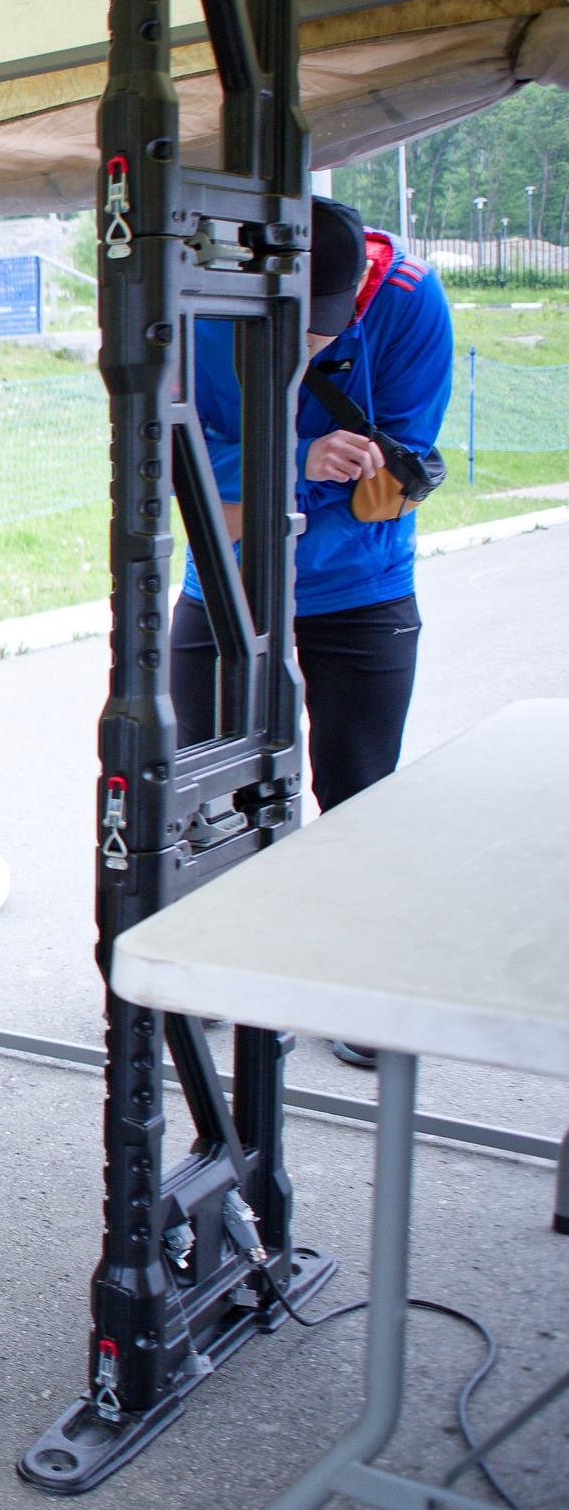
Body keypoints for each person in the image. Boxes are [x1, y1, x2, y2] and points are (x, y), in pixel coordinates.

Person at [174, 196, 451, 1069]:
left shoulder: (409, 298)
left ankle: (354, 981)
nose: (299, 355)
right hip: (224, 573)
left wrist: (260, 492)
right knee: (204, 779)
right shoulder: (193, 298)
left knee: (359, 789)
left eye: (317, 339)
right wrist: (296, 462)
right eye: (282, 333)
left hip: (360, 584)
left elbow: (403, 459)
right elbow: (169, 448)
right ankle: (226, 962)